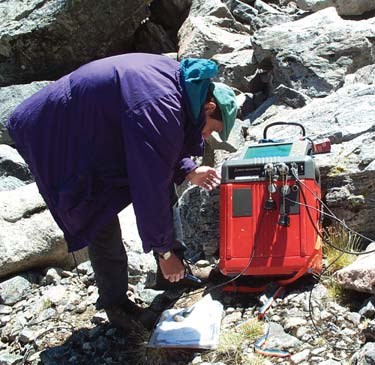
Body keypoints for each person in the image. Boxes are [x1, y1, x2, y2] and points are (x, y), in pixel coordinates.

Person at [6, 53, 238, 330]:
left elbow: (158, 145)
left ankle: (173, 274)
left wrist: (188, 168)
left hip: (92, 125)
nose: (205, 136)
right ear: (209, 106)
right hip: (55, 132)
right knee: (94, 207)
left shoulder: (182, 85)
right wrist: (164, 252)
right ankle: (117, 305)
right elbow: (148, 185)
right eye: (211, 129)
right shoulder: (161, 103)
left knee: (158, 179)